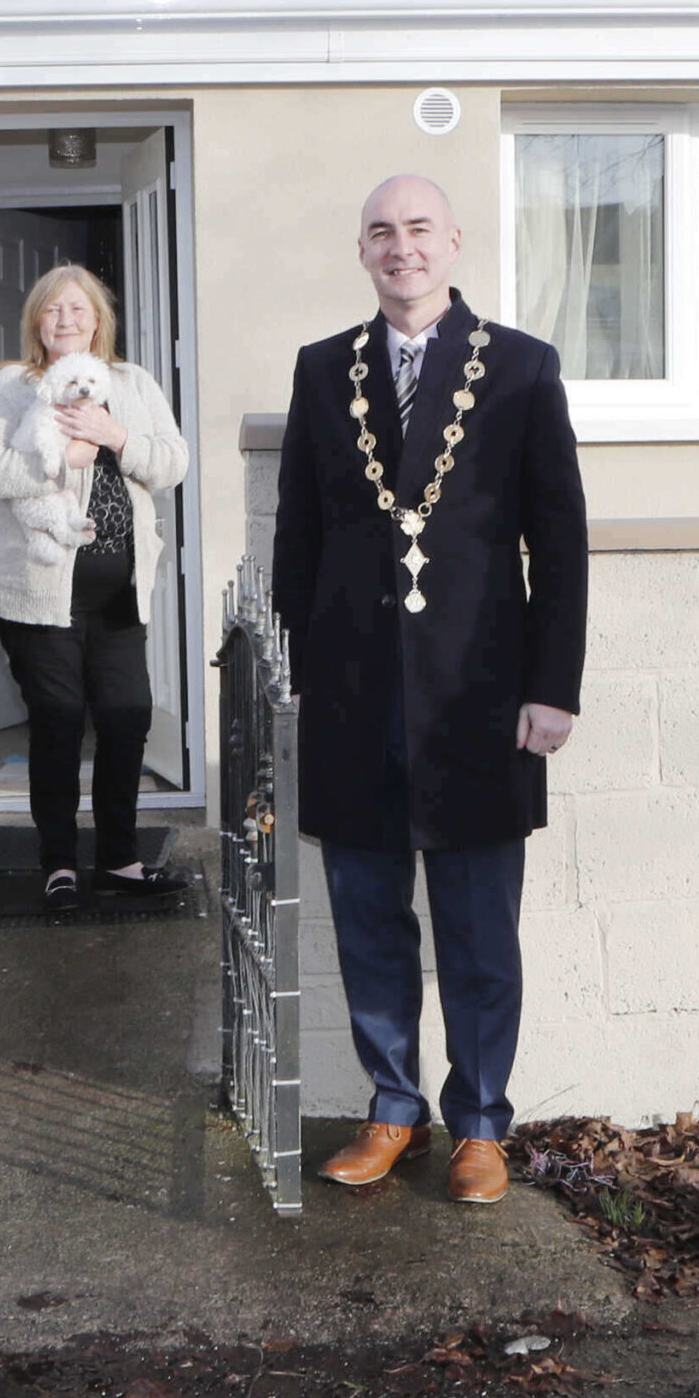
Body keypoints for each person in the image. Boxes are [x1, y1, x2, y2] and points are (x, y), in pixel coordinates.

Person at [272, 174, 587, 1206]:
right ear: (360, 251)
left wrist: (553, 687)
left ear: (452, 242)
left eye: (417, 228)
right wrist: (303, 680)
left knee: (477, 932)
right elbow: (297, 540)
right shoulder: (323, 372)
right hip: (354, 702)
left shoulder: (522, 370)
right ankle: (393, 1108)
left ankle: (481, 1122)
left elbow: (561, 543)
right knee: (368, 922)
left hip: (482, 704)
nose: (399, 246)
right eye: (379, 231)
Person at [0, 264, 189, 907]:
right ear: (36, 321)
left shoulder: (131, 383)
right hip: (34, 589)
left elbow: (172, 461)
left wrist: (114, 435)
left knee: (127, 717)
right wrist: (66, 458)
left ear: (99, 321)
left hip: (118, 591)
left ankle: (119, 859)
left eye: (78, 309)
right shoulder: (13, 386)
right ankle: (59, 862)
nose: (66, 319)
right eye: (52, 310)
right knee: (60, 721)